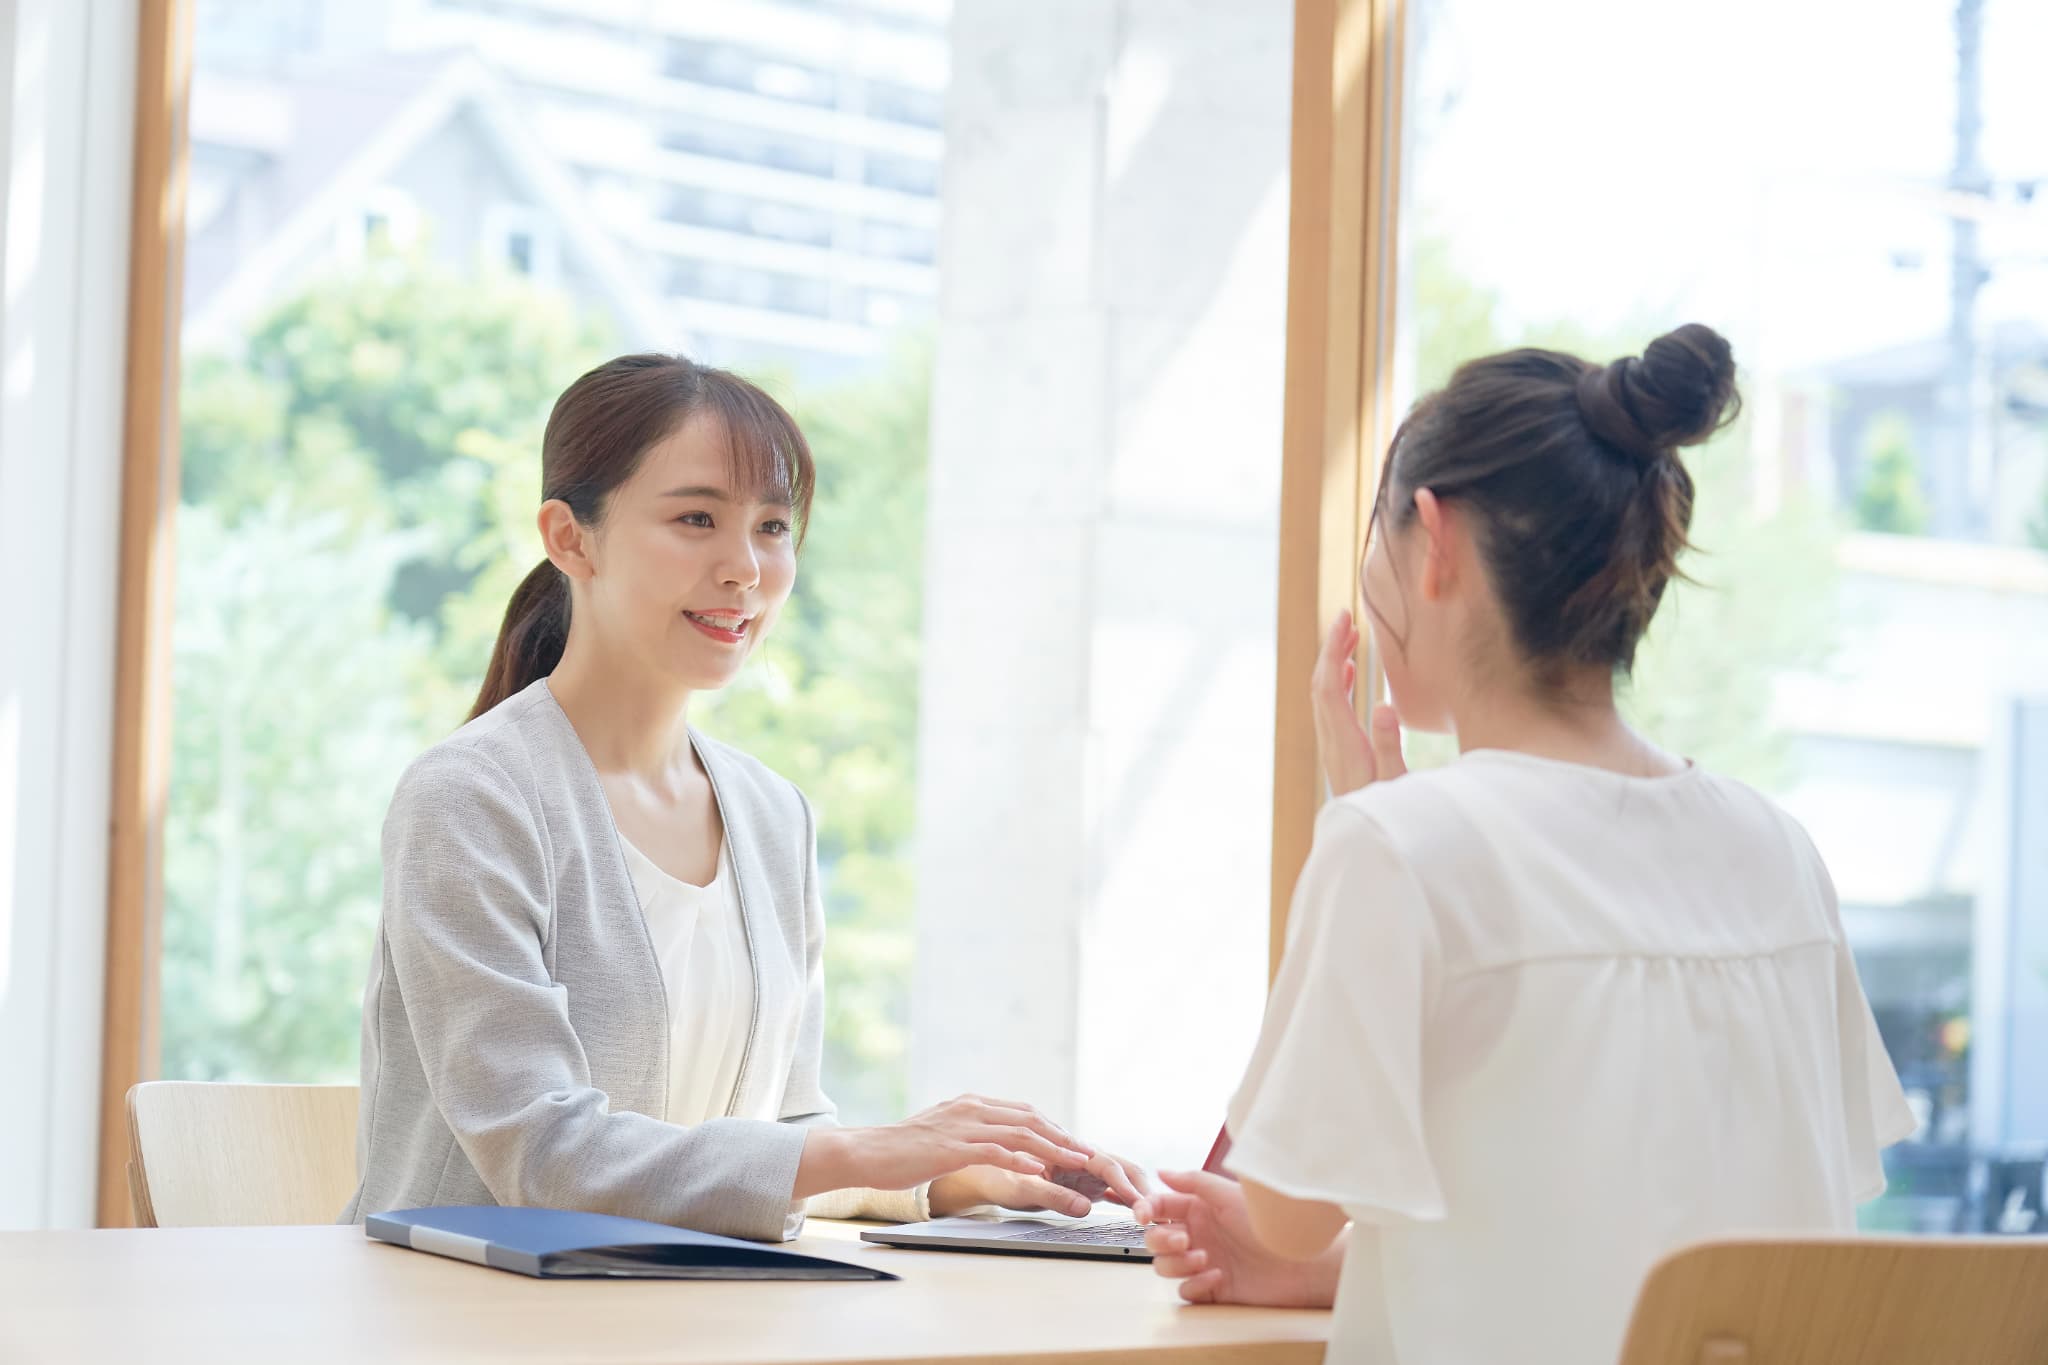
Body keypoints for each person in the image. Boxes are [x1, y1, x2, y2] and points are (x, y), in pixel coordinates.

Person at [1134, 325, 1916, 1363]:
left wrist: (1357, 830)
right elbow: (1663, 1222)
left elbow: (1283, 1207)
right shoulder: (1776, 848)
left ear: (1434, 536)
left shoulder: (1397, 849)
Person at [343, 354, 1144, 1239]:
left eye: (772, 526)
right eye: (696, 518)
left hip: (682, 1312)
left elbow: (778, 1141)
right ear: (571, 537)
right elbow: (542, 1150)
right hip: (467, 1318)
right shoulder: (470, 797)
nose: (746, 568)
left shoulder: (772, 815)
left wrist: (943, 1176)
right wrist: (871, 1149)